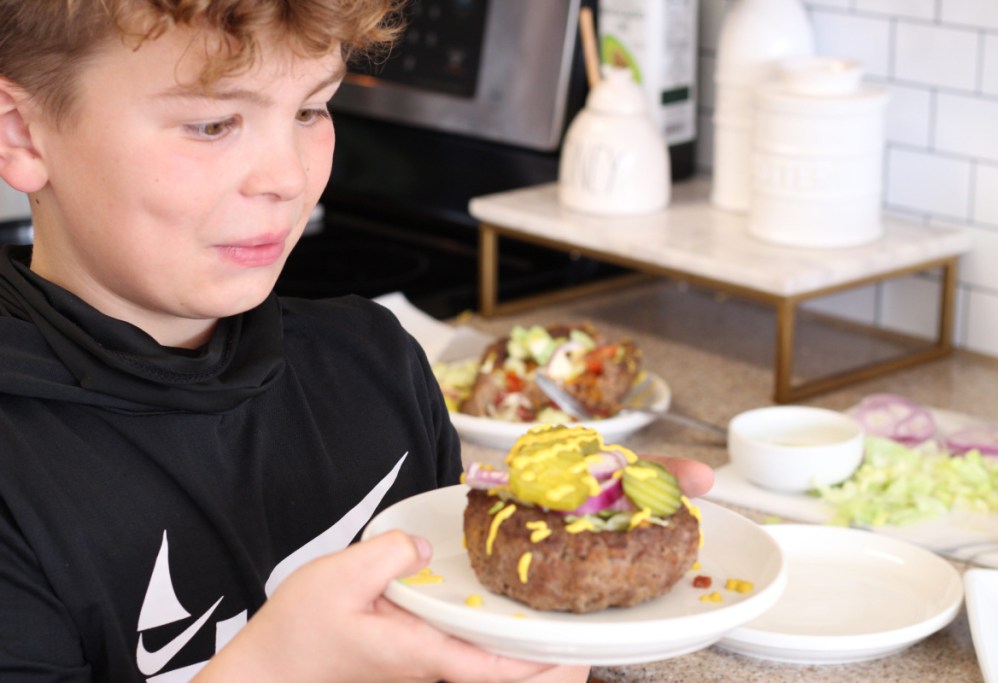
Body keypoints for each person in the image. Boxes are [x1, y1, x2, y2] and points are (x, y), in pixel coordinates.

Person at [0, 1, 715, 681]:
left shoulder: (374, 366)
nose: (288, 177)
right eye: (214, 124)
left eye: (311, 109)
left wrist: (538, 640)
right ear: (22, 135)